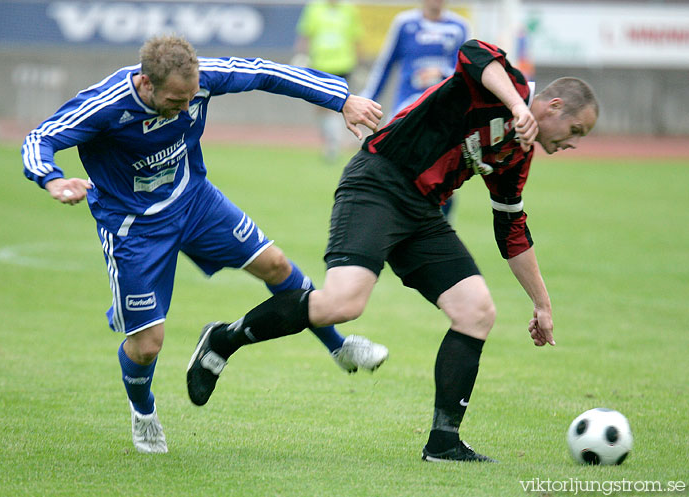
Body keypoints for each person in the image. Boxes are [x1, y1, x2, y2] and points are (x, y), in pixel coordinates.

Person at [186, 39, 599, 462]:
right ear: (552, 107)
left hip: (422, 211)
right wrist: (516, 105)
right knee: (344, 303)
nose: (573, 143)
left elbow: (511, 226)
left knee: (476, 311)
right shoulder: (503, 85)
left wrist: (542, 305)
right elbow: (474, 52)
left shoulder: (518, 152)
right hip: (378, 182)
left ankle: (444, 442)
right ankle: (224, 339)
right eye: (575, 131)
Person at [21, 34, 387, 454]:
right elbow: (39, 139)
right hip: (133, 228)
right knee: (147, 345)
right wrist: (51, 178)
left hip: (194, 202)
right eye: (176, 101)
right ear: (145, 84)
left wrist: (339, 98)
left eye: (191, 97)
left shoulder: (202, 79)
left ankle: (338, 347)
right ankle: (144, 413)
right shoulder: (105, 104)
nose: (185, 108)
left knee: (276, 265)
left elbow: (267, 73)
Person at [360, 0, 471, 218]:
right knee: (399, 173)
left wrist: (441, 72)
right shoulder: (404, 23)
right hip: (407, 109)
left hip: (444, 112)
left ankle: (440, 228)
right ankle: (397, 226)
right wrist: (366, 101)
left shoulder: (460, 27)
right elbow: (385, 64)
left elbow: (467, 70)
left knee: (443, 176)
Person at [295, 0, 364, 162]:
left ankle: (335, 143)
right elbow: (306, 34)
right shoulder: (314, 8)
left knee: (342, 104)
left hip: (343, 64)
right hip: (320, 64)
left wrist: (361, 63)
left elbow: (356, 37)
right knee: (321, 107)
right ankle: (331, 140)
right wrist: (301, 55)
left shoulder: (349, 10)